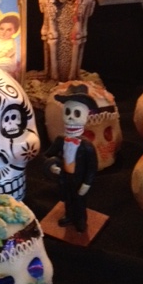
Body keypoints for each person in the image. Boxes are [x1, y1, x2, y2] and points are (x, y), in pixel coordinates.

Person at [45, 84, 98, 233]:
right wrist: (52, 166)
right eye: (68, 112)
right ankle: (69, 216)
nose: (70, 117)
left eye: (76, 113)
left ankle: (80, 220)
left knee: (79, 201)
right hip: (65, 177)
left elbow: (92, 167)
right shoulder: (60, 140)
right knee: (67, 199)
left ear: (85, 115)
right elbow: (48, 155)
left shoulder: (87, 146)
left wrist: (87, 184)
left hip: (79, 179)